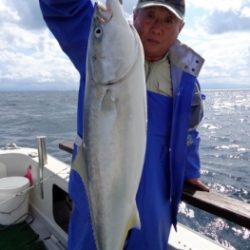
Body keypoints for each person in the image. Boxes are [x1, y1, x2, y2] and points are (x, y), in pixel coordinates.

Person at [39, 0, 209, 249]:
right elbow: (63, 7)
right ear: (135, 15)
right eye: (150, 15)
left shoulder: (185, 82)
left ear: (180, 28)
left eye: (168, 20)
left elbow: (188, 133)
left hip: (154, 205)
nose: (157, 27)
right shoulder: (103, 47)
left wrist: (190, 173)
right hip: (97, 199)